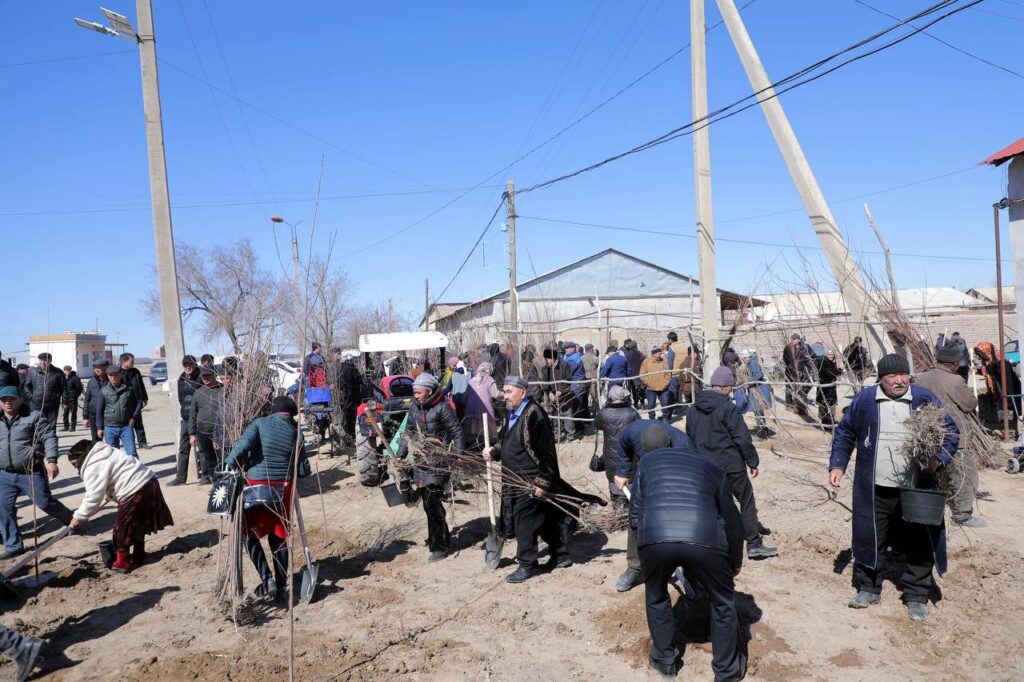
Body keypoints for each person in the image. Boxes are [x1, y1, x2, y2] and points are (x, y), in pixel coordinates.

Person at [829, 354, 958, 621]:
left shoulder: (923, 399)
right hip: (874, 486)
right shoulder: (866, 400)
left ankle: (916, 596)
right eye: (892, 376)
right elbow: (845, 432)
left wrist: (938, 460)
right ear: (881, 379)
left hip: (915, 488)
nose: (899, 381)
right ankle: (869, 588)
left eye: (903, 375)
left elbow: (950, 432)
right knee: (870, 536)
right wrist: (838, 465)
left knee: (920, 540)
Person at [630, 441, 746, 680]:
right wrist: (735, 560)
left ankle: (664, 661)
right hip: (703, 540)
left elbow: (635, 512)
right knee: (723, 602)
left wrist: (646, 547)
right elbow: (733, 521)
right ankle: (727, 672)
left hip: (655, 537)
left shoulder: (647, 462)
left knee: (656, 595)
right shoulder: (713, 468)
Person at [484, 376, 572, 583]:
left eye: (509, 392)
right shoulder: (513, 412)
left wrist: (543, 481)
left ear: (523, 393)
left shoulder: (535, 415)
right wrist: (494, 450)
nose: (504, 396)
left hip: (531, 480)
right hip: (513, 478)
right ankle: (561, 554)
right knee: (543, 518)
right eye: (504, 392)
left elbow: (547, 452)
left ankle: (527, 564)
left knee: (524, 520)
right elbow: (506, 439)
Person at [686, 366, 777, 560]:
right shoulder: (728, 408)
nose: (732, 390)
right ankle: (753, 543)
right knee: (746, 501)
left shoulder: (693, 410)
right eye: (731, 386)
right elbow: (742, 438)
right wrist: (752, 461)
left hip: (706, 467)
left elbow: (690, 437)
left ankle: (715, 544)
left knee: (715, 504)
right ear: (725, 387)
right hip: (731, 465)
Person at [225, 396, 310, 601]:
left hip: (256, 486)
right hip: (283, 489)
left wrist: (228, 465)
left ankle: (267, 579)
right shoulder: (296, 432)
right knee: (278, 535)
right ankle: (281, 585)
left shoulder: (260, 423)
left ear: (272, 412)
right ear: (291, 415)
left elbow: (240, 448)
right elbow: (304, 470)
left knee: (248, 534)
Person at [67, 438, 174, 573]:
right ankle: (139, 554)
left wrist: (78, 516)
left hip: (135, 488)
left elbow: (93, 497)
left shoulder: (92, 467)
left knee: (122, 527)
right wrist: (110, 494)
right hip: (150, 482)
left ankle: (122, 562)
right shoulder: (108, 452)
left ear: (81, 457)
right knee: (138, 522)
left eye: (75, 464)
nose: (75, 467)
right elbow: (116, 474)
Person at [611, 421, 690, 593]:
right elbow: (623, 447)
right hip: (645, 471)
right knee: (637, 513)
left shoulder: (683, 447)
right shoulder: (632, 432)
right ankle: (635, 567)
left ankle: (685, 565)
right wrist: (622, 472)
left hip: (673, 478)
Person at [914, 344, 985, 527]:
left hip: (927, 436)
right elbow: (970, 404)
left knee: (937, 472)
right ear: (954, 364)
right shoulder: (955, 381)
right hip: (954, 435)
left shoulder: (920, 378)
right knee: (965, 475)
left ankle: (938, 506)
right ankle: (962, 515)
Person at [396, 373, 464, 561]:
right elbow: (408, 432)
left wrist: (457, 456)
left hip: (439, 463)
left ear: (429, 391)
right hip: (421, 462)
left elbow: (457, 432)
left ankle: (439, 546)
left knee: (431, 503)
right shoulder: (414, 408)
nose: (415, 396)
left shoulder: (443, 408)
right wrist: (400, 454)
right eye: (414, 392)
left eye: (418, 392)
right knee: (430, 505)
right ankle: (442, 536)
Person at [0, 386, 73, 559]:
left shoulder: (33, 417)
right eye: (4, 400)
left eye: (12, 399)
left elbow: (49, 437)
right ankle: (14, 545)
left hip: (30, 471)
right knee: (3, 508)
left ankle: (72, 521)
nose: (8, 403)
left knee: (45, 503)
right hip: (4, 474)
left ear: (21, 399)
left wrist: (52, 460)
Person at [593, 385, 641, 498]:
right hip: (629, 450)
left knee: (612, 473)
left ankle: (616, 499)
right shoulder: (632, 412)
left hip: (610, 450)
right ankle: (630, 499)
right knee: (630, 473)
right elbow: (640, 428)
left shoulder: (602, 413)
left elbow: (596, 426)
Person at [169, 355, 202, 486]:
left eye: (190, 364)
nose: (188, 367)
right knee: (183, 449)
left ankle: (206, 476)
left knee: (202, 449)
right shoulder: (181, 379)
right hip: (186, 419)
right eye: (185, 365)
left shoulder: (201, 377)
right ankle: (180, 478)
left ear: (195, 364)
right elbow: (180, 398)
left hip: (199, 418)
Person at [96, 365, 141, 458]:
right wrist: (99, 427)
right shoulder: (103, 391)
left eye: (115, 374)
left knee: (132, 453)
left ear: (120, 375)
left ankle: (135, 467)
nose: (113, 377)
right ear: (108, 376)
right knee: (112, 455)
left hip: (126, 426)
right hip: (110, 427)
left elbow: (139, 402)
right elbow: (99, 410)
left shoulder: (130, 388)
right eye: (110, 375)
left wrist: (134, 417)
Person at [189, 365, 222, 484]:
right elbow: (192, 415)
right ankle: (215, 483)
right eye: (203, 376)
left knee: (222, 459)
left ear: (214, 375)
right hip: (203, 432)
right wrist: (192, 434)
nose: (205, 378)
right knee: (209, 459)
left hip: (220, 432)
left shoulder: (223, 390)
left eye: (208, 375)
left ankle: (224, 483)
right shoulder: (198, 393)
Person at [21, 352, 65, 435]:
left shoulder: (58, 372)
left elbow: (64, 388)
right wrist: (31, 396)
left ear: (50, 361)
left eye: (45, 360)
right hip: (36, 405)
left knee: (51, 426)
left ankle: (51, 441)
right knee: (37, 425)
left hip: (52, 405)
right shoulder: (33, 372)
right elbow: (26, 386)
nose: (42, 362)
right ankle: (38, 442)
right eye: (41, 360)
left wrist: (62, 400)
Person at [734, 350, 772, 439]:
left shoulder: (753, 363)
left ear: (746, 357)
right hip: (757, 389)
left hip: (759, 390)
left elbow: (758, 375)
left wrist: (749, 383)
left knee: (757, 411)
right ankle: (763, 431)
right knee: (758, 411)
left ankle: (762, 434)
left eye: (743, 359)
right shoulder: (751, 363)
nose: (743, 361)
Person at [463, 361, 498, 448]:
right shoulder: (489, 380)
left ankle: (473, 444)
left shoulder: (471, 380)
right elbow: (495, 394)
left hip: (470, 408)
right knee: (485, 428)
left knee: (473, 429)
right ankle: (486, 445)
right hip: (484, 408)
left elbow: (465, 396)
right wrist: (504, 394)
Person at [118, 353, 150, 449]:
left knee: (138, 422)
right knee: (127, 424)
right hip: (124, 402)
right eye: (131, 361)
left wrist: (144, 397)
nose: (133, 363)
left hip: (136, 400)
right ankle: (129, 443)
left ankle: (142, 442)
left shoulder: (135, 372)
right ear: (124, 361)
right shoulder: (118, 372)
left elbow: (141, 385)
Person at [333, 350, 363, 446]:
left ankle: (347, 433)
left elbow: (337, 381)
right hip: (352, 395)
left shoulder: (339, 368)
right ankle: (351, 433)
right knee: (352, 414)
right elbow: (358, 380)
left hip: (342, 395)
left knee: (345, 414)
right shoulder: (352, 368)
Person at [782, 333, 814, 417]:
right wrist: (788, 365)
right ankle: (789, 405)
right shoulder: (788, 348)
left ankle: (800, 408)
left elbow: (811, 357)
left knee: (802, 389)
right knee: (789, 388)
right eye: (792, 339)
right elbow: (784, 358)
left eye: (795, 339)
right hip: (790, 372)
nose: (793, 341)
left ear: (799, 340)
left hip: (802, 372)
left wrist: (809, 368)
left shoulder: (805, 347)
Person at [561, 342, 589, 433]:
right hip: (576, 384)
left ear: (572, 348)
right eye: (565, 348)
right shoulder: (570, 357)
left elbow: (568, 372)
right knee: (576, 406)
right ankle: (579, 427)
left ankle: (579, 428)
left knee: (577, 406)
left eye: (568, 348)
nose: (566, 350)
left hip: (576, 385)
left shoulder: (573, 359)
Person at [640, 346, 673, 421]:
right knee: (651, 405)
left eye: (661, 353)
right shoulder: (646, 362)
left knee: (665, 404)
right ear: (654, 354)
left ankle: (665, 419)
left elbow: (668, 374)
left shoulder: (664, 361)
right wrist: (648, 382)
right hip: (651, 388)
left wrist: (666, 382)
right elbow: (642, 374)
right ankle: (652, 419)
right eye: (659, 353)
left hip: (663, 388)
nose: (661, 355)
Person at [814, 349, 844, 429]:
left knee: (832, 404)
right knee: (823, 404)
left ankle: (831, 420)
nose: (830, 356)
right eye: (829, 354)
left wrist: (839, 371)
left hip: (831, 387)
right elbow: (829, 373)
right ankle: (825, 422)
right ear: (826, 354)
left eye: (832, 354)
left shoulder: (832, 363)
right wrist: (839, 371)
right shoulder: (822, 362)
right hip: (824, 387)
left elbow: (833, 373)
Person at [82, 357, 109, 442]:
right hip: (93, 414)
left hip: (107, 414)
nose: (97, 370)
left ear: (106, 367)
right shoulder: (92, 381)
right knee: (96, 440)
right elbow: (87, 399)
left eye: (99, 367)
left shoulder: (111, 380)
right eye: (95, 367)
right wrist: (85, 417)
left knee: (110, 439)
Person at [622, 340, 647, 409]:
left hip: (631, 375)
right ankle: (642, 403)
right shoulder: (640, 354)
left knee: (633, 389)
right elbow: (645, 360)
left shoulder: (627, 354)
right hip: (640, 374)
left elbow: (626, 364)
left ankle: (635, 403)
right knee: (641, 389)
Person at [61, 365, 84, 432]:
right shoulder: (63, 378)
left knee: (73, 413)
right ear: (64, 371)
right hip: (65, 399)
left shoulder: (75, 378)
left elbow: (79, 388)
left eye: (69, 370)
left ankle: (73, 427)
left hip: (73, 399)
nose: (68, 372)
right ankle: (66, 426)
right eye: (66, 370)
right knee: (65, 413)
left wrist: (75, 396)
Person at [583, 343, 599, 412]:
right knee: (594, 395)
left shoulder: (582, 357)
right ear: (591, 349)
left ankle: (586, 410)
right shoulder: (594, 357)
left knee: (585, 395)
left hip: (585, 377)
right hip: (593, 377)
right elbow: (601, 365)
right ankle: (596, 410)